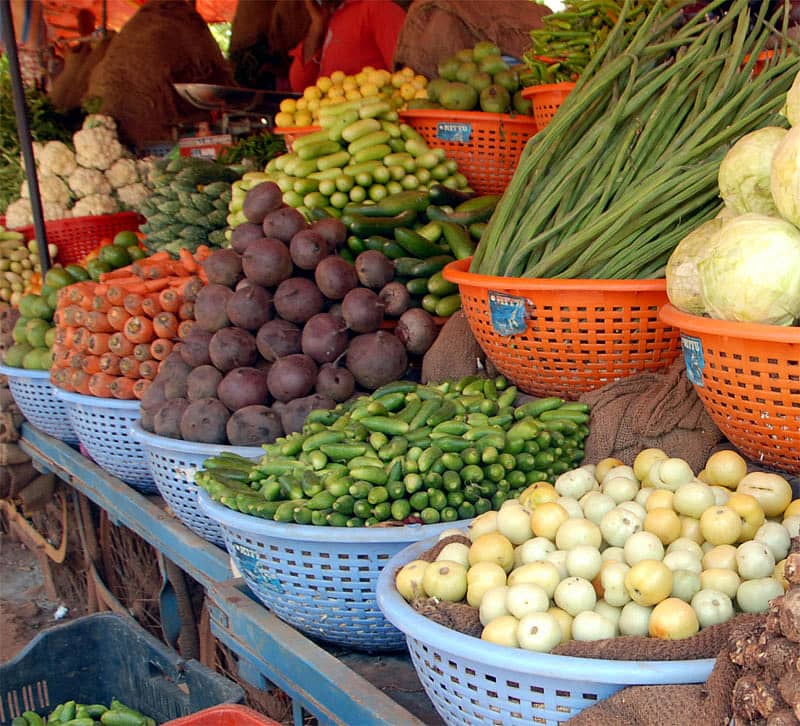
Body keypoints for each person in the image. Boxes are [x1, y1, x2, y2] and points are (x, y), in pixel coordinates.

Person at [288, 0, 406, 92]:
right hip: (324, 118)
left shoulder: (379, 8)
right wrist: (317, 25)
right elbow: (300, 86)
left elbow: (407, 81)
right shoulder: (327, 14)